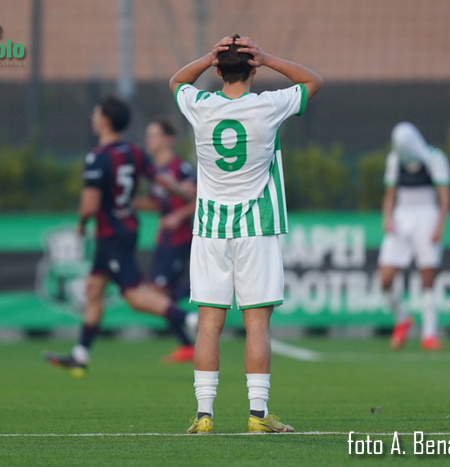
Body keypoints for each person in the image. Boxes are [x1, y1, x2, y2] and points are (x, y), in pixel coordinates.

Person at [169, 34, 323, 433]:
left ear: (218, 70)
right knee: (257, 325)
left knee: (207, 324)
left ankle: (204, 415)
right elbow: (312, 82)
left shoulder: (200, 106)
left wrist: (207, 56)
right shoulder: (267, 106)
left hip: (209, 230)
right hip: (257, 227)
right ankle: (257, 415)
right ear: (252, 68)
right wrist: (269, 57)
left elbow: (176, 83)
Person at [44, 97, 199, 376]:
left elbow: (90, 204)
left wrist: (80, 223)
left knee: (136, 297)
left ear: (104, 120)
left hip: (111, 233)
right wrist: (185, 193)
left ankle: (190, 320)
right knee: (94, 290)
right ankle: (80, 355)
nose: (93, 118)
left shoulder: (97, 157)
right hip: (123, 230)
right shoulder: (134, 152)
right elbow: (162, 181)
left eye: (96, 113)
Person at [378, 122, 450, 351]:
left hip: (427, 216)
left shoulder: (435, 158)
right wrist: (387, 217)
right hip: (402, 218)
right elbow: (390, 193)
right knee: (386, 279)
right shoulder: (394, 160)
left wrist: (440, 225)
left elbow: (444, 194)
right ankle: (402, 318)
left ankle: (429, 334)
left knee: (427, 276)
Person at [134, 117, 196, 302]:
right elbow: (157, 203)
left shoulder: (180, 168)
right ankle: (187, 320)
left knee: (160, 292)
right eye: (148, 135)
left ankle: (193, 310)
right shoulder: (154, 172)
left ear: (169, 139)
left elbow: (200, 197)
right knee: (162, 293)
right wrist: (127, 202)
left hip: (180, 238)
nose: (149, 140)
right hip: (165, 239)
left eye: (155, 135)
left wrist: (178, 216)